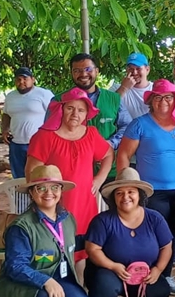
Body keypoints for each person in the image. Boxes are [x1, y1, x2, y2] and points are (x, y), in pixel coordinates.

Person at [117, 79, 175, 296]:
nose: (163, 101)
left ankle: (165, 276)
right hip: (153, 192)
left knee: (172, 233)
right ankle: (143, 275)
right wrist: (128, 185)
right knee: (154, 233)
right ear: (151, 101)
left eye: (168, 97)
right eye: (158, 97)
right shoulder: (139, 124)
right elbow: (124, 155)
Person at [0, 165, 93, 297]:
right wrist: (45, 281)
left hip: (59, 279)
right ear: (32, 193)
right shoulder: (22, 226)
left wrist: (100, 238)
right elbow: (16, 266)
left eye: (55, 187)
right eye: (41, 188)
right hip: (24, 284)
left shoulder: (67, 218)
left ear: (61, 191)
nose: (49, 193)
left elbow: (70, 243)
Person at [26, 88, 114, 267]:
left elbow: (108, 155)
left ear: (86, 114)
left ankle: (78, 289)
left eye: (81, 110)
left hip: (84, 201)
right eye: (70, 108)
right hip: (53, 203)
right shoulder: (44, 136)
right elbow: (32, 172)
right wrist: (43, 198)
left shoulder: (91, 134)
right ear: (61, 109)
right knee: (52, 248)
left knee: (81, 250)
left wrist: (99, 179)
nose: (75, 114)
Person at [84, 168, 173, 297]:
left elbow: (167, 246)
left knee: (160, 291)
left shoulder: (154, 218)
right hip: (109, 271)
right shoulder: (103, 220)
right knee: (104, 284)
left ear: (139, 195)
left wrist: (158, 269)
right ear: (113, 197)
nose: (126, 197)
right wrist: (113, 266)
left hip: (142, 273)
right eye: (120, 193)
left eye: (131, 192)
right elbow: (92, 249)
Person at [64, 53, 131, 154]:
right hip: (72, 163)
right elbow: (50, 133)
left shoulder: (114, 99)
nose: (83, 74)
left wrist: (112, 143)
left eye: (88, 69)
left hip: (108, 164)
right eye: (77, 71)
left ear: (97, 71)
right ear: (71, 73)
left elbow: (127, 126)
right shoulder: (60, 100)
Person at [2, 66, 54, 178]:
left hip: (38, 143)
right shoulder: (11, 96)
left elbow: (55, 113)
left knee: (40, 175)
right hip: (16, 144)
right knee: (19, 177)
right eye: (18, 79)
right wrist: (5, 130)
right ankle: (21, 196)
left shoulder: (43, 94)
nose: (22, 82)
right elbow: (6, 114)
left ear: (33, 79)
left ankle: (39, 196)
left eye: (25, 79)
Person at [113, 52, 154, 119]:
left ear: (147, 70)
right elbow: (107, 108)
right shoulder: (116, 88)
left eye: (138, 69)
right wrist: (124, 88)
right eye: (131, 69)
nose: (134, 72)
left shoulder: (155, 89)